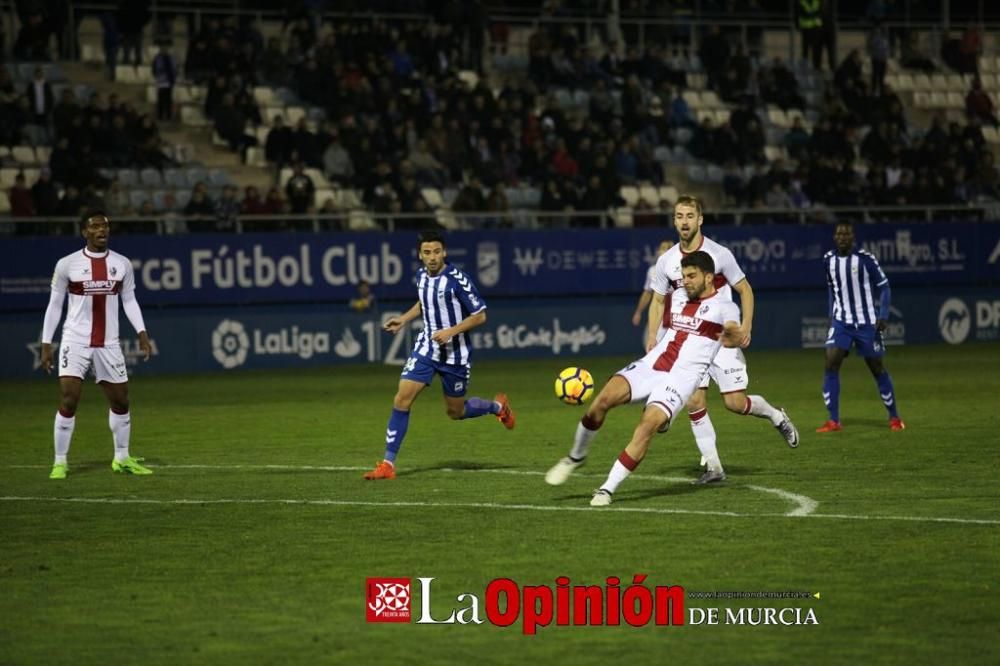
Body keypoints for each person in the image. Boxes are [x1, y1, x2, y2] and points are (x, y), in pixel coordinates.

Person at [547, 195, 798, 487]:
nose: (684, 222)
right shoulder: (667, 261)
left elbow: (745, 289)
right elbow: (657, 301)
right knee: (694, 400)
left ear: (700, 219)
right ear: (674, 220)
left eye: (690, 216)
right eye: (679, 216)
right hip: (689, 339)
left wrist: (745, 327)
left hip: (720, 333)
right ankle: (715, 467)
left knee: (735, 402)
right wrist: (653, 336)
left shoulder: (720, 254)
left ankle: (774, 416)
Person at [589, 252, 744, 505]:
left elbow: (733, 328)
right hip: (659, 365)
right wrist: (651, 334)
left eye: (692, 276)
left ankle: (607, 488)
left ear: (708, 277)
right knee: (610, 394)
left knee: (646, 427)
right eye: (683, 276)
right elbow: (657, 300)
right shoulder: (680, 297)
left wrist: (733, 334)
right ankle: (655, 403)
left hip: (682, 380)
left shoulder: (724, 306)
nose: (686, 281)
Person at [364, 231, 514, 480]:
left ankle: (497, 407)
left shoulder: (457, 279)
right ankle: (388, 465)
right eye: (426, 253)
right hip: (427, 348)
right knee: (402, 399)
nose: (432, 257)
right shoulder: (421, 275)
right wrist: (403, 320)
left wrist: (451, 332)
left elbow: (480, 315)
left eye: (436, 252)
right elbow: (424, 303)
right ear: (420, 255)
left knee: (455, 412)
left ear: (444, 253)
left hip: (455, 354)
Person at [39, 211, 154, 479]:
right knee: (69, 399)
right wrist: (46, 343)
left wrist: (142, 332)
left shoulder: (122, 264)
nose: (102, 230)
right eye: (95, 226)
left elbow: (129, 300)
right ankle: (60, 462)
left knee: (121, 400)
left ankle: (122, 458)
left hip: (108, 343)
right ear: (85, 232)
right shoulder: (67, 264)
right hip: (75, 340)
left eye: (105, 226)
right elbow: (55, 305)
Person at [817, 223, 905, 432]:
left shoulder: (866, 259)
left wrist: (883, 315)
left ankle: (894, 418)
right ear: (834, 237)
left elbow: (884, 287)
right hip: (841, 322)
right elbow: (832, 288)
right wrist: (831, 316)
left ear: (853, 237)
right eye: (839, 234)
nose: (842, 237)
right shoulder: (828, 260)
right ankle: (833, 420)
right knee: (831, 363)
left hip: (866, 323)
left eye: (846, 234)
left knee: (876, 367)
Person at [631, 239, 674, 332]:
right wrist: (638, 312)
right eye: (662, 248)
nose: (664, 251)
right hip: (659, 316)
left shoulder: (681, 269)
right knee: (654, 344)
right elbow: (647, 293)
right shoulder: (652, 270)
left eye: (669, 249)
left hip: (677, 316)